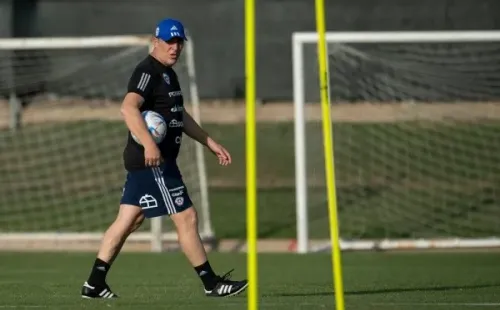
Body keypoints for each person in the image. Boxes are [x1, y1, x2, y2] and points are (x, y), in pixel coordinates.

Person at [81, 18, 248, 299]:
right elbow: (128, 108)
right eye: (169, 42)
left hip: (155, 161)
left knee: (129, 220)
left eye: (179, 42)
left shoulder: (169, 74)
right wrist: (149, 145)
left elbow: (178, 117)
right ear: (155, 41)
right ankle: (212, 283)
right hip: (153, 163)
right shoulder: (147, 71)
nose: (175, 48)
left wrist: (209, 142)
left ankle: (94, 283)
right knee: (187, 217)